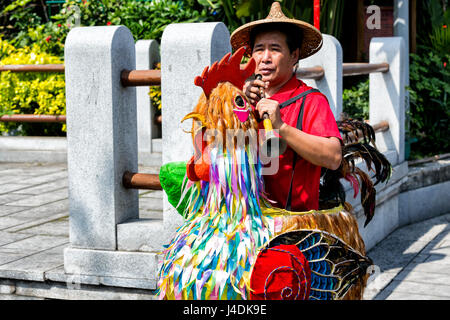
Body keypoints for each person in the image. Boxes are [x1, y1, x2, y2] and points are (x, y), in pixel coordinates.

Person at [230, 1, 343, 212]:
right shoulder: (241, 98)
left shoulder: (310, 101)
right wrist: (237, 107)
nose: (265, 58)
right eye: (258, 49)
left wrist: (282, 127)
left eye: (275, 49)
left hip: (294, 223)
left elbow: (334, 157)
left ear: (294, 56)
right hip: (246, 220)